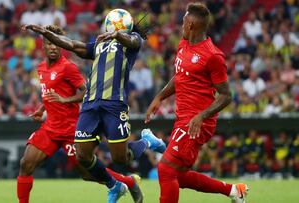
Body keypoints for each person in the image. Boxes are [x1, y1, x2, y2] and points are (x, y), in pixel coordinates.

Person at [24, 10, 166, 203]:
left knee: (120, 158)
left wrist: (118, 35)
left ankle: (147, 141)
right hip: (90, 105)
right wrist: (46, 33)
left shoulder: (132, 41)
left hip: (114, 104)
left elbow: (132, 42)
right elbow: (74, 45)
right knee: (82, 157)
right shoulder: (99, 44)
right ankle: (115, 186)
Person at [145, 3, 249, 203]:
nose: (181, 24)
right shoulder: (184, 43)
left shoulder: (213, 56)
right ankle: (235, 191)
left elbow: (226, 95)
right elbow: (181, 76)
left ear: (191, 24)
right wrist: (159, 97)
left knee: (166, 169)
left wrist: (201, 116)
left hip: (197, 122)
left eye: (183, 20)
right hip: (182, 118)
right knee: (179, 176)